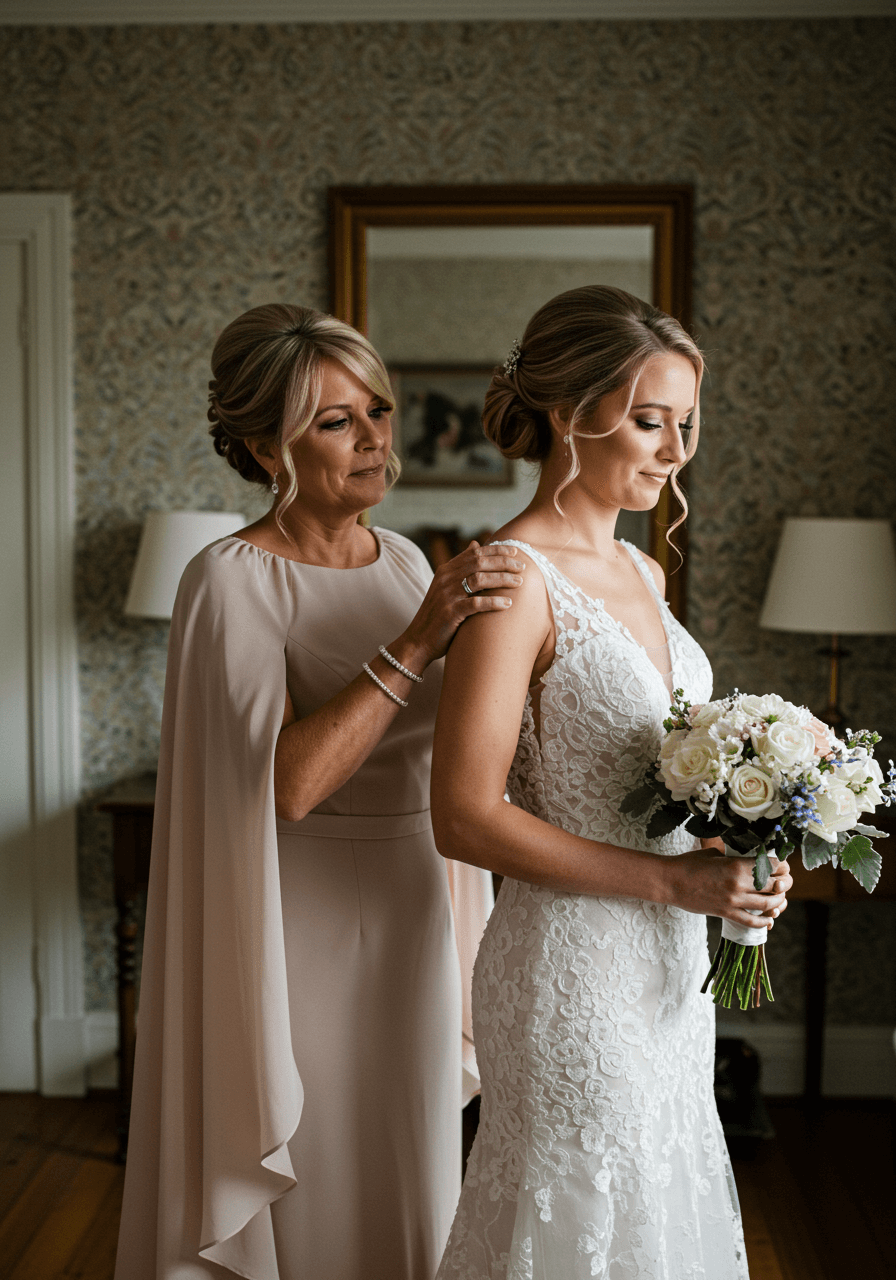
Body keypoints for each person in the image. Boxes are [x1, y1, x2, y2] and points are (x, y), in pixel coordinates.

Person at [113, 304, 526, 1280]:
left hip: (416, 907)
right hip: (298, 928)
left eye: (376, 409)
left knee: (410, 1158)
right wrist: (421, 637)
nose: (375, 434)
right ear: (265, 446)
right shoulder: (230, 578)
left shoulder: (407, 564)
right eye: (335, 419)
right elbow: (287, 786)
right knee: (323, 1162)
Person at [431, 286, 793, 1280]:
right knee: (582, 1216)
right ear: (566, 413)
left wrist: (725, 849)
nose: (674, 450)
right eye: (647, 419)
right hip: (569, 972)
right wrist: (669, 883)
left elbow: (654, 772)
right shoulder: (511, 577)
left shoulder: (643, 572)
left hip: (670, 972)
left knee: (656, 1214)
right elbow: (461, 813)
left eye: (684, 424)